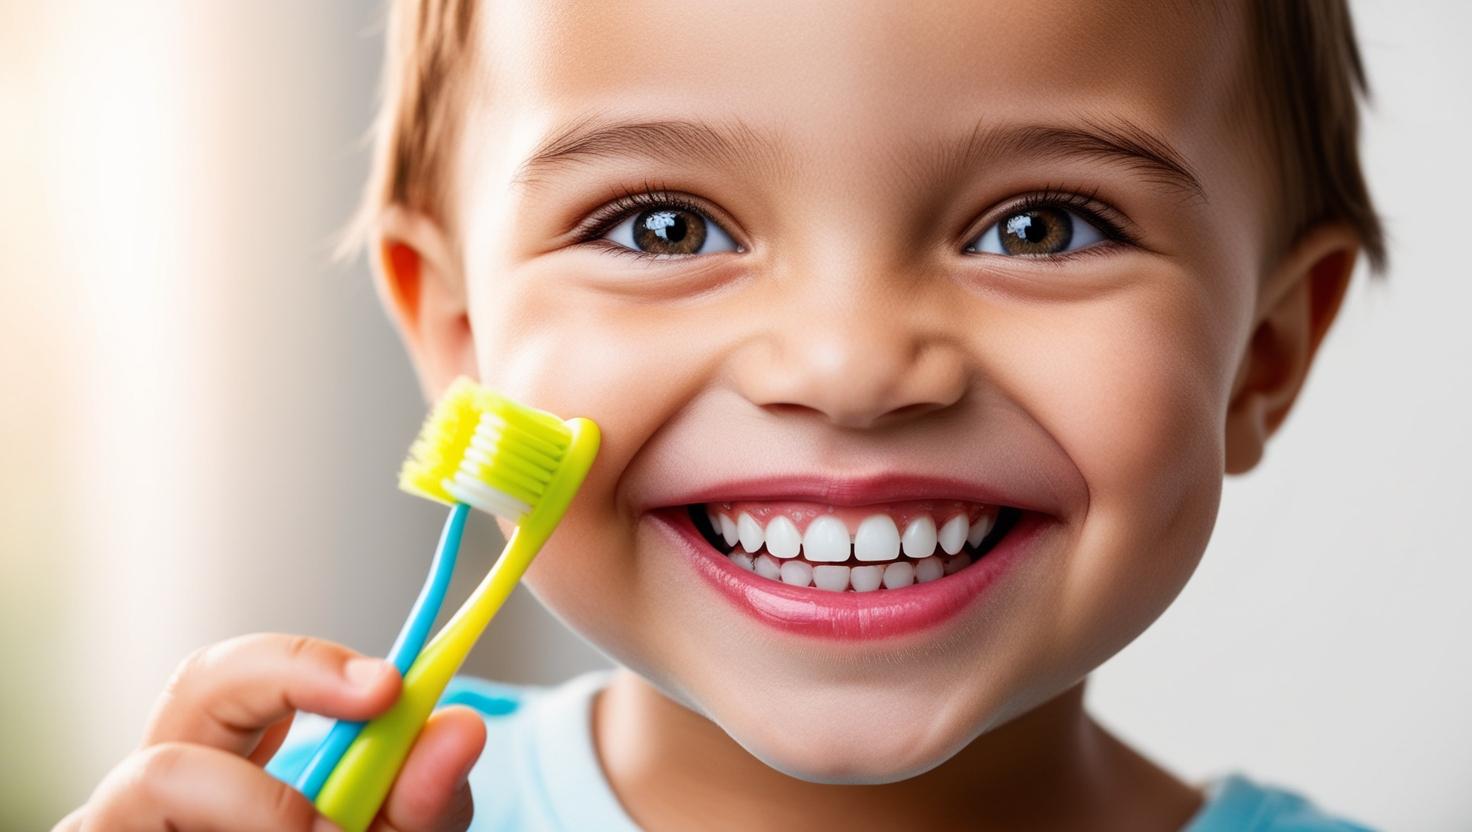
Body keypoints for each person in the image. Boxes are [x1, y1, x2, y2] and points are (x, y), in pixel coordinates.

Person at [59, 0, 1386, 828]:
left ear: (1265, 355)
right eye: (662, 224)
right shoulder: (326, 820)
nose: (851, 365)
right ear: (464, 339)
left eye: (1043, 228)